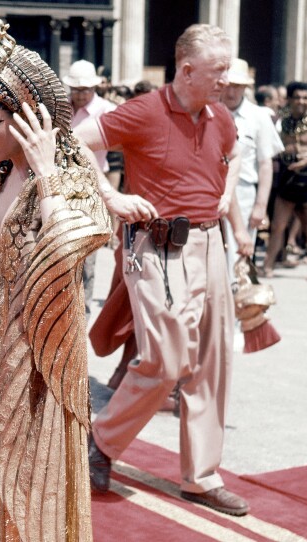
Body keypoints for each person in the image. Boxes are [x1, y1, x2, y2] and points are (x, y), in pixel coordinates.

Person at [0, 5, 112, 536]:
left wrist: (49, 174)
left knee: (30, 475)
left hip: (38, 351)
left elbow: (68, 252)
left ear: (29, 113)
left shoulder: (69, 175)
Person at [74, 23, 254, 516]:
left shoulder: (220, 118)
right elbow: (74, 141)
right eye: (219, 71)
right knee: (166, 360)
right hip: (155, 246)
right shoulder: (144, 111)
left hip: (208, 243)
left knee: (212, 363)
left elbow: (234, 154)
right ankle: (102, 440)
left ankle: (202, 477)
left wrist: (228, 201)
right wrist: (110, 195)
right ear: (188, 69)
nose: (226, 80)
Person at [260, 82, 307, 281]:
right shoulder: (284, 123)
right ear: (290, 100)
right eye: (297, 97)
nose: (301, 101)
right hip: (288, 178)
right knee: (277, 225)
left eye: (305, 97)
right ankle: (268, 265)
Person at [63, 59, 117, 321]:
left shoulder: (108, 111)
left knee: (88, 249)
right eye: (76, 89)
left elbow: (118, 157)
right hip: (61, 183)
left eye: (85, 90)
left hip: (92, 185)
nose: (81, 94)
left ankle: (81, 310)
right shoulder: (61, 110)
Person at [220, 58, 284, 268]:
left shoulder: (258, 117)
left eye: (237, 87)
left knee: (239, 253)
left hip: (244, 191)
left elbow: (265, 163)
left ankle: (238, 297)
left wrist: (260, 205)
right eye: (228, 85)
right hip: (211, 189)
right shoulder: (208, 111)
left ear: (246, 88)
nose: (231, 92)